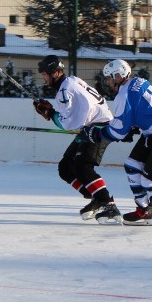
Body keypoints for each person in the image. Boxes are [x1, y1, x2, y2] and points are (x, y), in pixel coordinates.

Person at [79, 59, 152, 226]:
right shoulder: (137, 81)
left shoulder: (123, 95)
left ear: (118, 76)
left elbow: (118, 130)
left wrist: (96, 134)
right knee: (132, 165)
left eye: (109, 78)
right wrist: (131, 127)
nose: (107, 82)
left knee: (150, 183)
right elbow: (142, 111)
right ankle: (144, 210)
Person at [33, 55, 122, 224]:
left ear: (55, 73)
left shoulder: (64, 91)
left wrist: (50, 114)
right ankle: (97, 196)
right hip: (91, 126)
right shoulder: (71, 81)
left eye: (44, 74)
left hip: (99, 128)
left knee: (83, 167)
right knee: (65, 167)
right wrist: (51, 112)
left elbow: (67, 124)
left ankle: (108, 205)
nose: (43, 77)